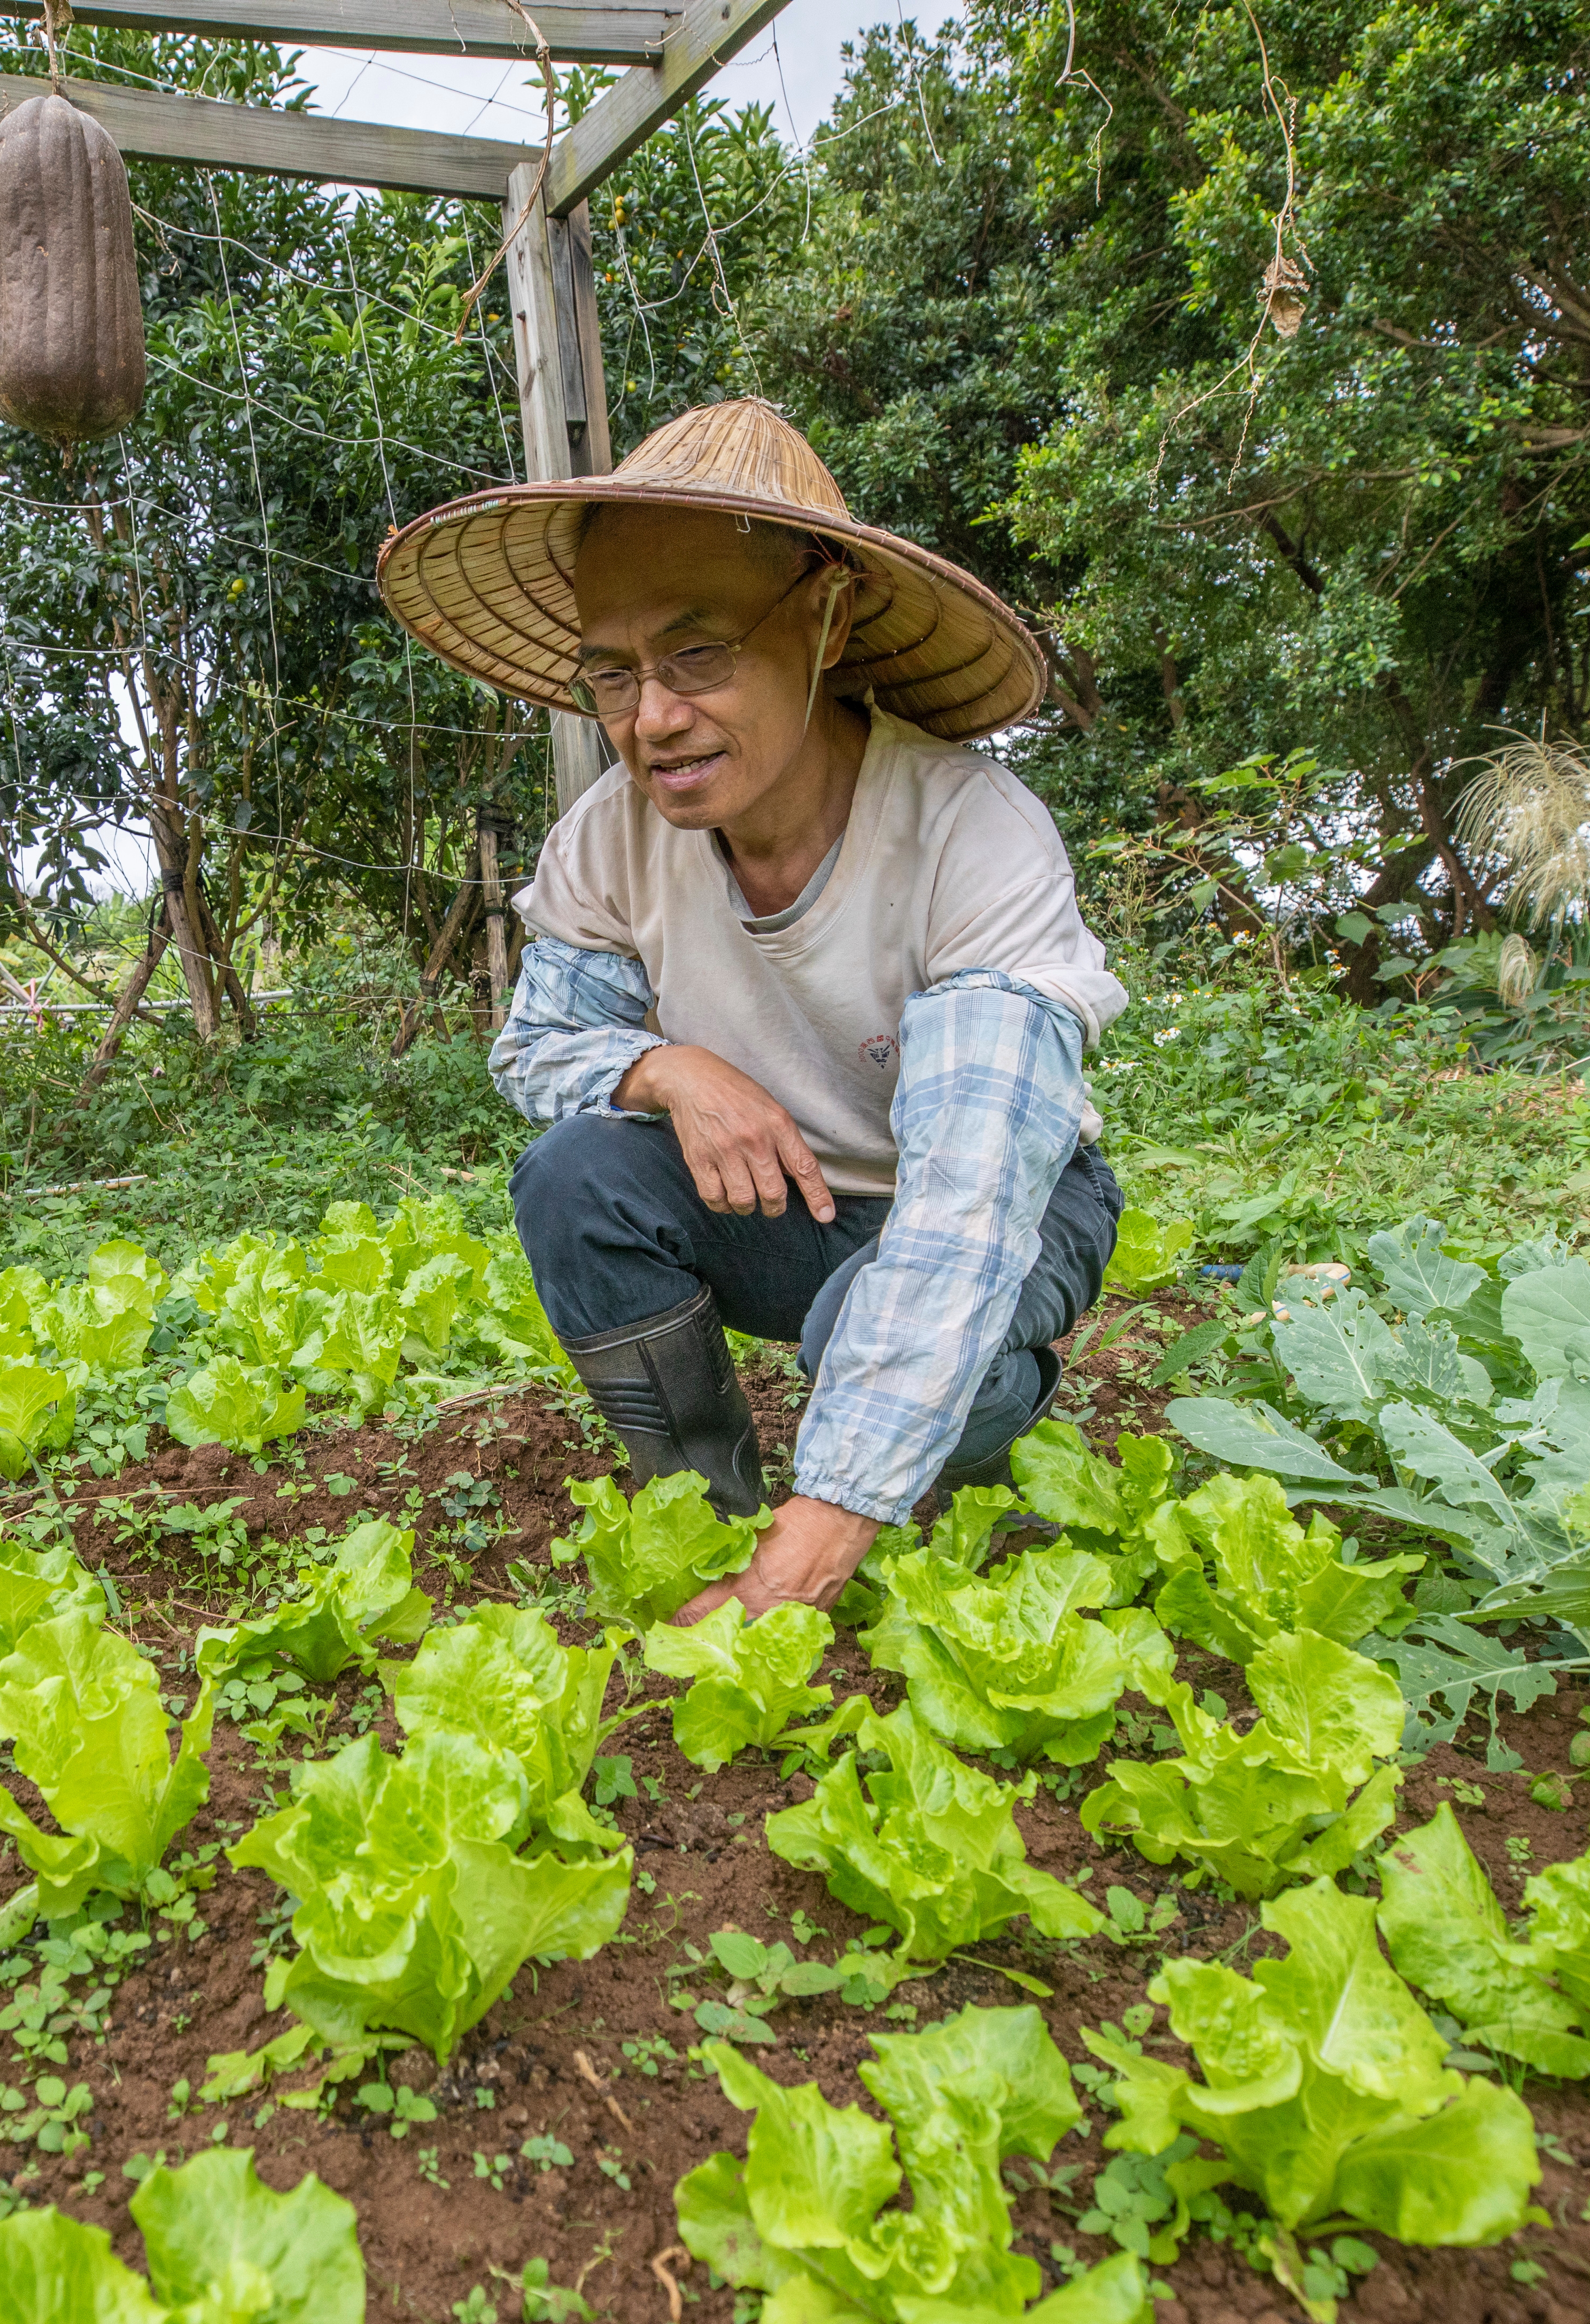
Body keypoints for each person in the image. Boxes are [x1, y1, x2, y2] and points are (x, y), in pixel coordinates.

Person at [376, 397, 1127, 1626]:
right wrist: (667, 1068)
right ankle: (704, 1508)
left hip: (1004, 1208)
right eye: (612, 672)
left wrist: (817, 1541)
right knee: (575, 1176)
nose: (651, 718)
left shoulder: (969, 832)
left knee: (877, 1328)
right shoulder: (609, 841)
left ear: (827, 619)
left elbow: (971, 1198)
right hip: (786, 1205)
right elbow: (541, 1046)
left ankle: (955, 1485)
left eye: (700, 656)